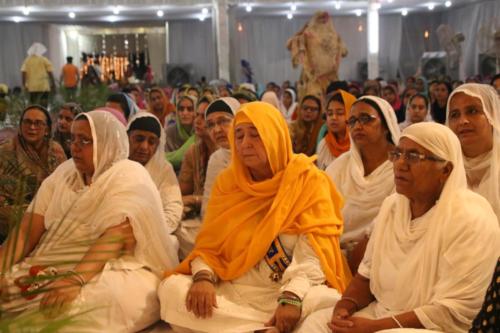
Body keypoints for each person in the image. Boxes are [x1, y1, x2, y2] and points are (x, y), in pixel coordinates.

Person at [158, 101, 351, 333]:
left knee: (326, 300)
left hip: (289, 289)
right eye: (238, 136)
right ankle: (261, 328)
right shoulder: (228, 184)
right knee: (172, 290)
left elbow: (314, 256)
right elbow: (209, 247)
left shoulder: (309, 181)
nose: (245, 144)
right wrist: (203, 278)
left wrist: (292, 297)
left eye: (255, 135)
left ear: (275, 137)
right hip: (235, 287)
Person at [300, 122, 500, 333]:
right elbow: (365, 277)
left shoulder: (470, 216)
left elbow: (452, 310)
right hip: (381, 313)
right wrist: (344, 307)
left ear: (446, 170)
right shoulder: (392, 206)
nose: (400, 164)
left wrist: (375, 327)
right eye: (397, 154)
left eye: (413, 157)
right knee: (317, 323)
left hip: (434, 326)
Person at [0, 111, 179, 331]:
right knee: (8, 288)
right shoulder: (64, 172)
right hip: (52, 258)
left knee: (72, 310)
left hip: (113, 264)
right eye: (73, 139)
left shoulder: (128, 174)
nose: (75, 146)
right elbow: (28, 228)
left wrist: (74, 279)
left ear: (106, 143)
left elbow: (120, 235)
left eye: (85, 140)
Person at [326, 96, 400, 272]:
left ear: (386, 124)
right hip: (332, 250)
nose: (358, 126)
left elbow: (396, 220)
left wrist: (360, 251)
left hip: (381, 255)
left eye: (366, 119)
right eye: (352, 121)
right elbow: (321, 208)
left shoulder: (402, 167)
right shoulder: (341, 165)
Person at [0, 105, 66, 242]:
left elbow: (65, 184)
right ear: (20, 125)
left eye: (38, 123)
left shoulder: (55, 151)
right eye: (27, 122)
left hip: (49, 208)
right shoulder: (6, 151)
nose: (32, 127)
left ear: (47, 129)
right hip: (12, 210)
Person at [126, 112, 183, 250]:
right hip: (114, 232)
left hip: (152, 232)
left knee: (171, 242)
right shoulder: (115, 163)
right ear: (127, 137)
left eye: (152, 142)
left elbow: (173, 208)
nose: (144, 147)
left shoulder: (162, 169)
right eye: (139, 139)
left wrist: (143, 231)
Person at [447, 83, 500, 222]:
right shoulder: (443, 168)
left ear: (492, 116)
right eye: (454, 115)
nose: (462, 121)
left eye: (472, 111)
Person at [200, 97, 241, 217]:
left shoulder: (252, 153)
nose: (217, 130)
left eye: (223, 121)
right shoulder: (216, 159)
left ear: (238, 120)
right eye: (210, 125)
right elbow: (208, 206)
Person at [178, 96, 216, 219]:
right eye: (197, 115)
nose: (197, 121)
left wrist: (195, 200)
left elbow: (227, 200)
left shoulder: (229, 153)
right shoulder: (194, 152)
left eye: (204, 117)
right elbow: (182, 193)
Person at [316, 90, 356, 170]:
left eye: (340, 113)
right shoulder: (324, 144)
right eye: (330, 114)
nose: (333, 118)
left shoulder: (359, 144)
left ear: (352, 116)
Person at [165, 95, 197, 172]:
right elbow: (163, 160)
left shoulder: (200, 133)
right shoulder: (169, 132)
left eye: (190, 109)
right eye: (181, 109)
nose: (185, 113)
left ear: (196, 112)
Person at [21, 43, 55, 107]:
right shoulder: (44, 59)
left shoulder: (27, 60)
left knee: (34, 105)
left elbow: (23, 72)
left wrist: (24, 85)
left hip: (32, 88)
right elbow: (50, 72)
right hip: (43, 87)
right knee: (44, 106)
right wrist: (53, 84)